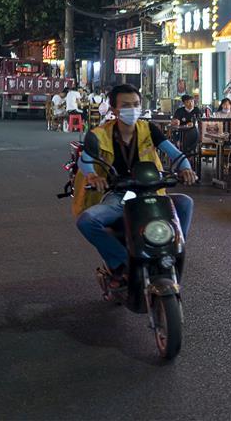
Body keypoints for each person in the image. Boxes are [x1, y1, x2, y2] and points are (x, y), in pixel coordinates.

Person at [74, 84, 197, 291]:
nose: (132, 109)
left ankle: (172, 253)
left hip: (151, 191)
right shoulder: (98, 134)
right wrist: (93, 176)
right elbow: (85, 161)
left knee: (185, 203)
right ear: (114, 109)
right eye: (126, 105)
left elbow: (175, 154)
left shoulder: (148, 129)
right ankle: (122, 263)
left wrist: (186, 169)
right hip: (118, 195)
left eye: (136, 104)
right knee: (87, 221)